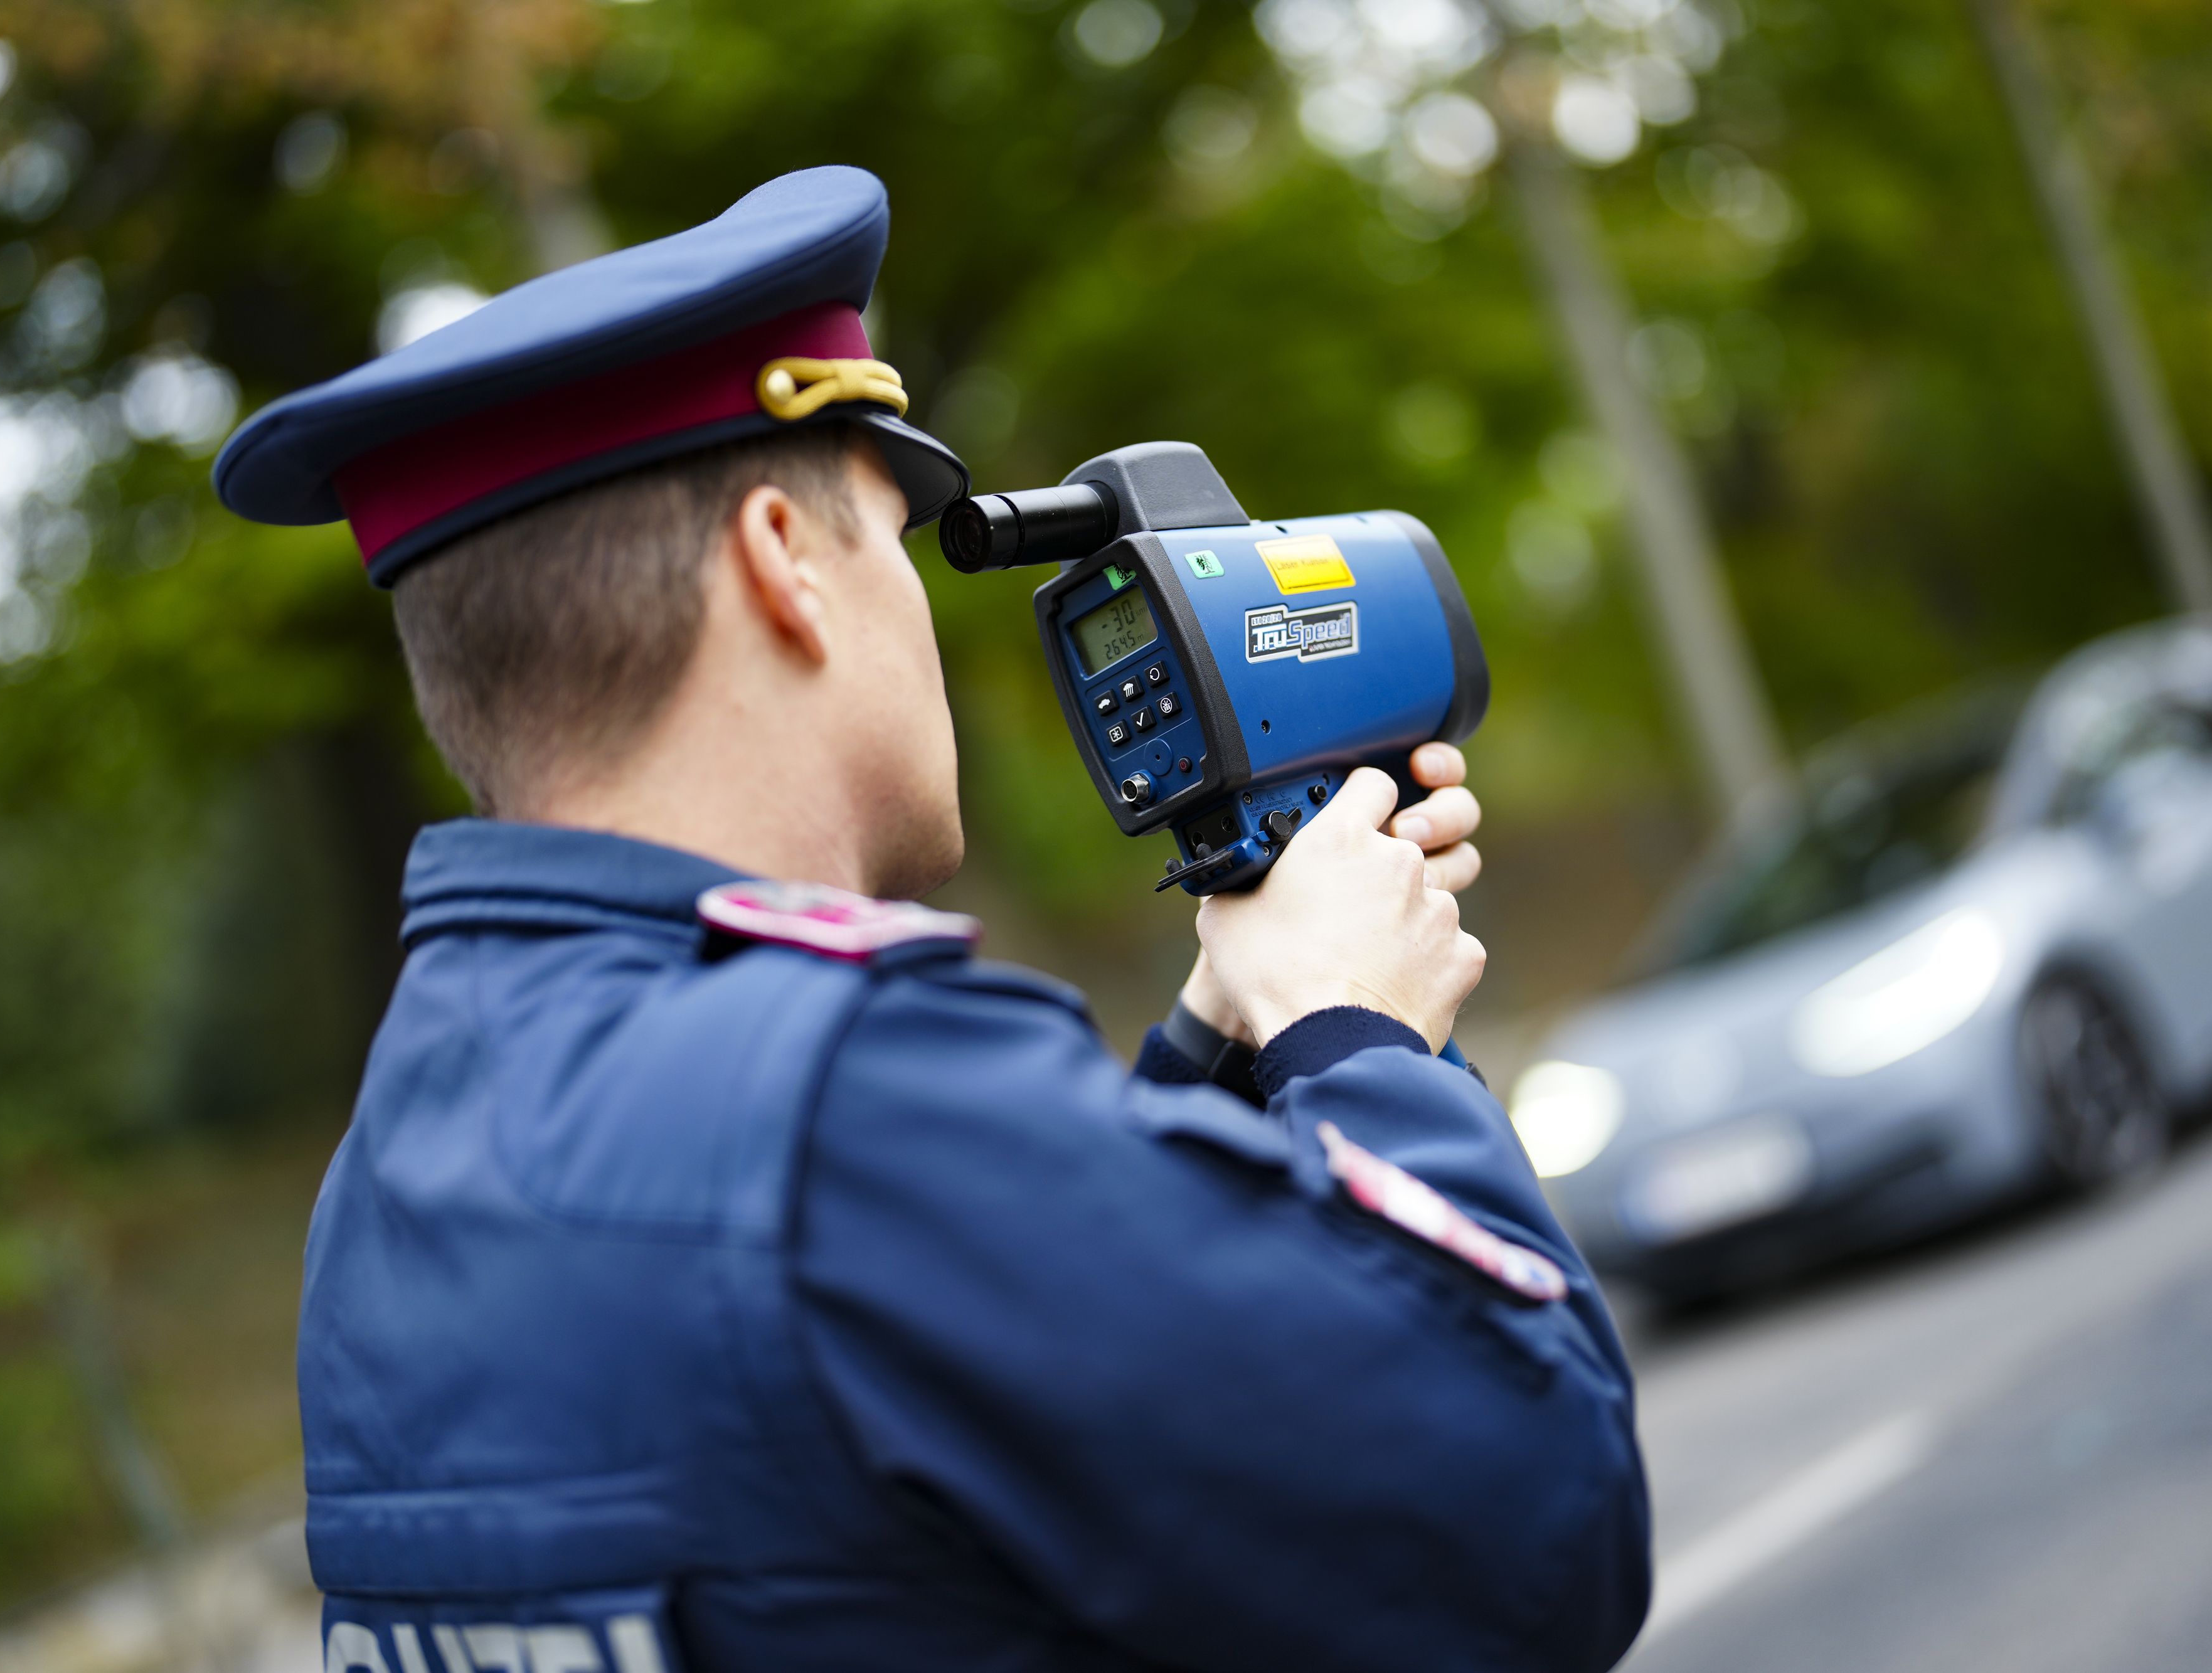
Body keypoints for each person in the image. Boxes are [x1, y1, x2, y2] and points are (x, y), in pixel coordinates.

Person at [215, 166, 1651, 1673]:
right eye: (890, 540)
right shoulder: (841, 1110)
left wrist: (1216, 1049)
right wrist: (1361, 1041)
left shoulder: (385, 1185)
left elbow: (903, 1462)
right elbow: (1527, 1523)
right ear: (783, 561)